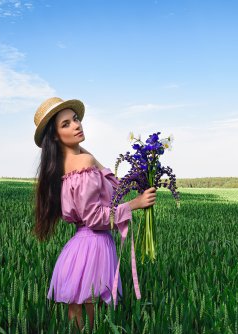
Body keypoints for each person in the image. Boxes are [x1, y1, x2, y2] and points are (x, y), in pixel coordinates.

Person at [32, 97, 156, 331]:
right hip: (95, 248)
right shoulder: (83, 162)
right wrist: (135, 204)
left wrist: (81, 150)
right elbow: (96, 218)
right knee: (93, 322)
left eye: (75, 119)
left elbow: (113, 186)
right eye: (66, 124)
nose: (77, 125)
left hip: (78, 249)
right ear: (55, 136)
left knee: (77, 319)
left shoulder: (63, 166)